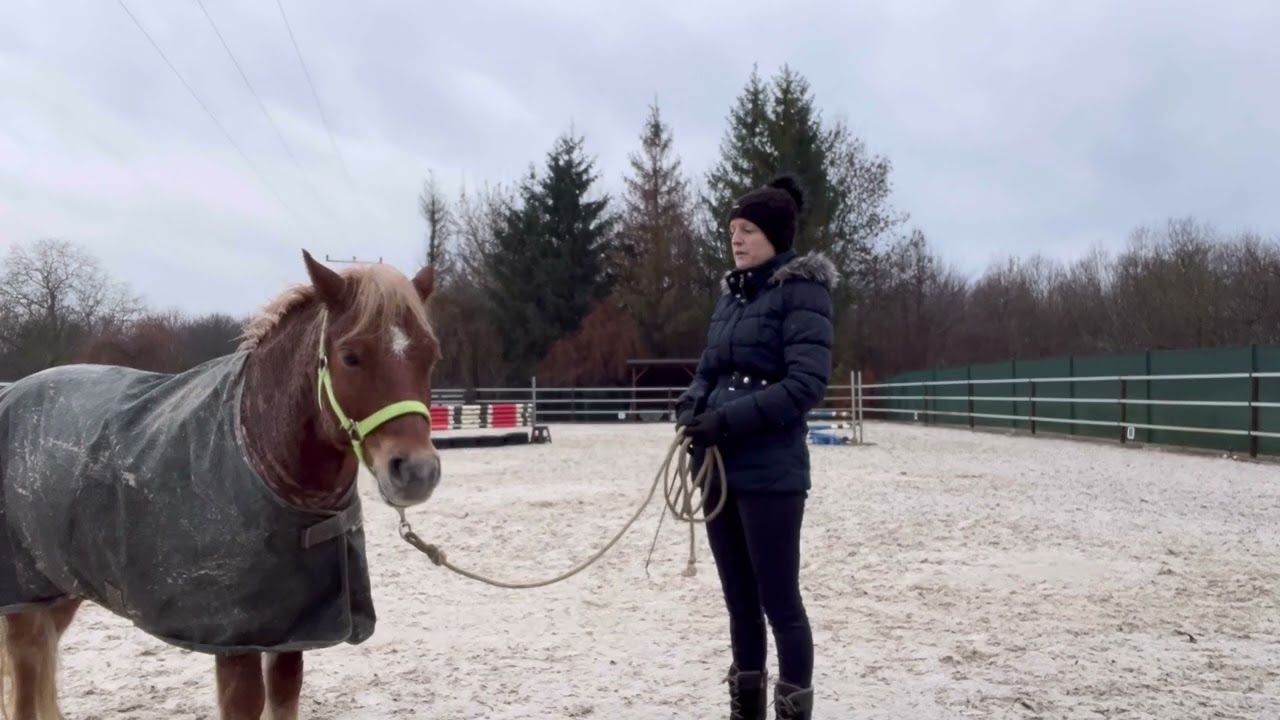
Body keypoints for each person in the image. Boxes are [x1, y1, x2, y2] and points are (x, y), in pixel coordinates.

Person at [676, 174, 835, 720]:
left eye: (747, 230)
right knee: (739, 605)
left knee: (779, 605)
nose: (736, 240)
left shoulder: (804, 294)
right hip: (717, 471)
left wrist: (726, 421)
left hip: (771, 473)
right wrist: (690, 412)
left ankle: (793, 711)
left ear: (773, 235)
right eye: (732, 231)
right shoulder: (731, 297)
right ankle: (745, 712)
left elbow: (804, 385)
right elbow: (707, 371)